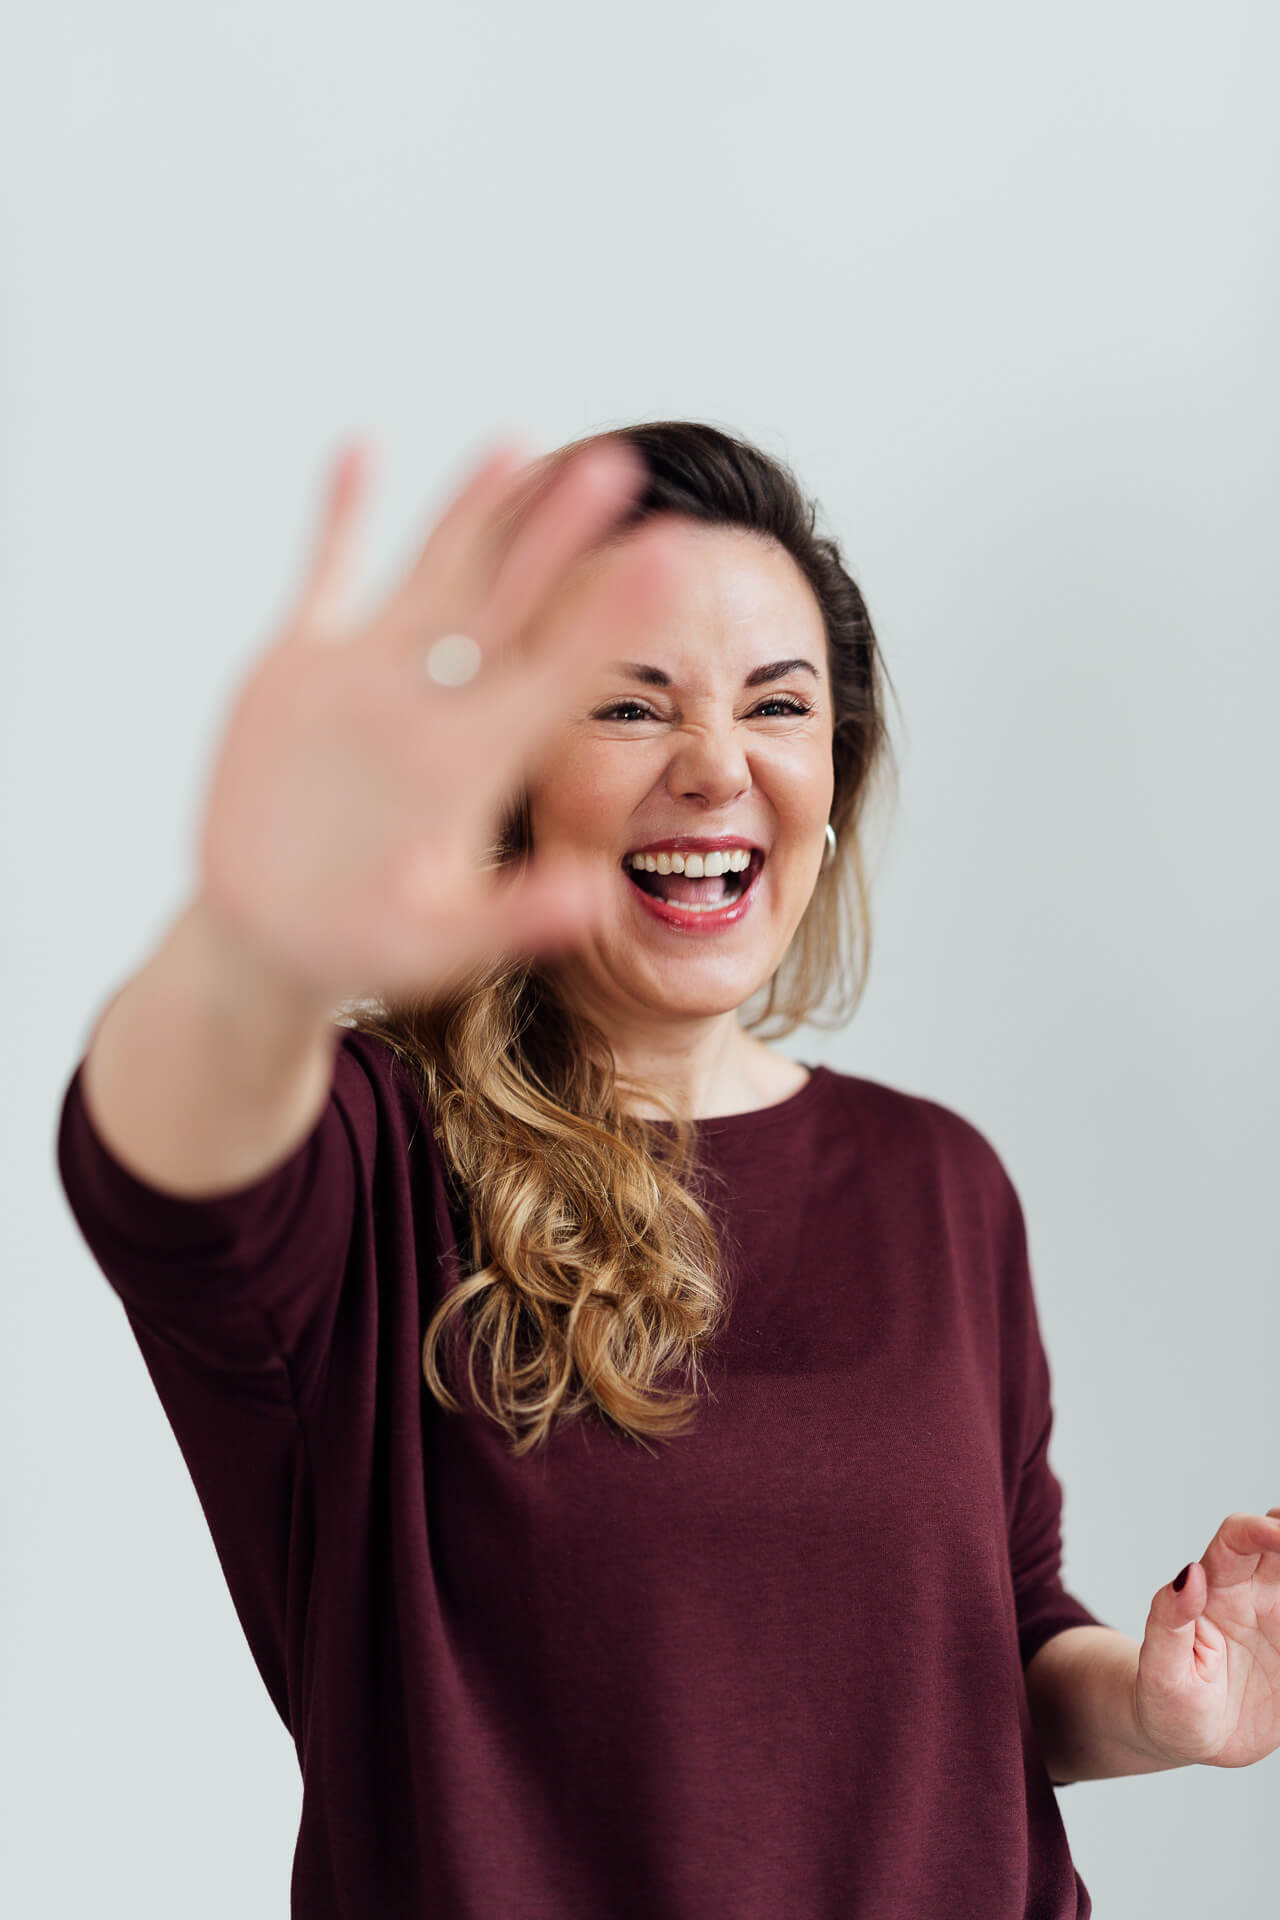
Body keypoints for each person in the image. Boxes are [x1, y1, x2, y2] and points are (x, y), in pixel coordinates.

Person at [54, 421, 1280, 1920]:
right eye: (632, 706)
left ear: (834, 774)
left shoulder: (942, 1182)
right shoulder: (370, 1157)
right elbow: (153, 1159)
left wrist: (1161, 1711)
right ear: (509, 774)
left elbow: (995, 1645)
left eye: (778, 704)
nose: (715, 767)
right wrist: (254, 943)